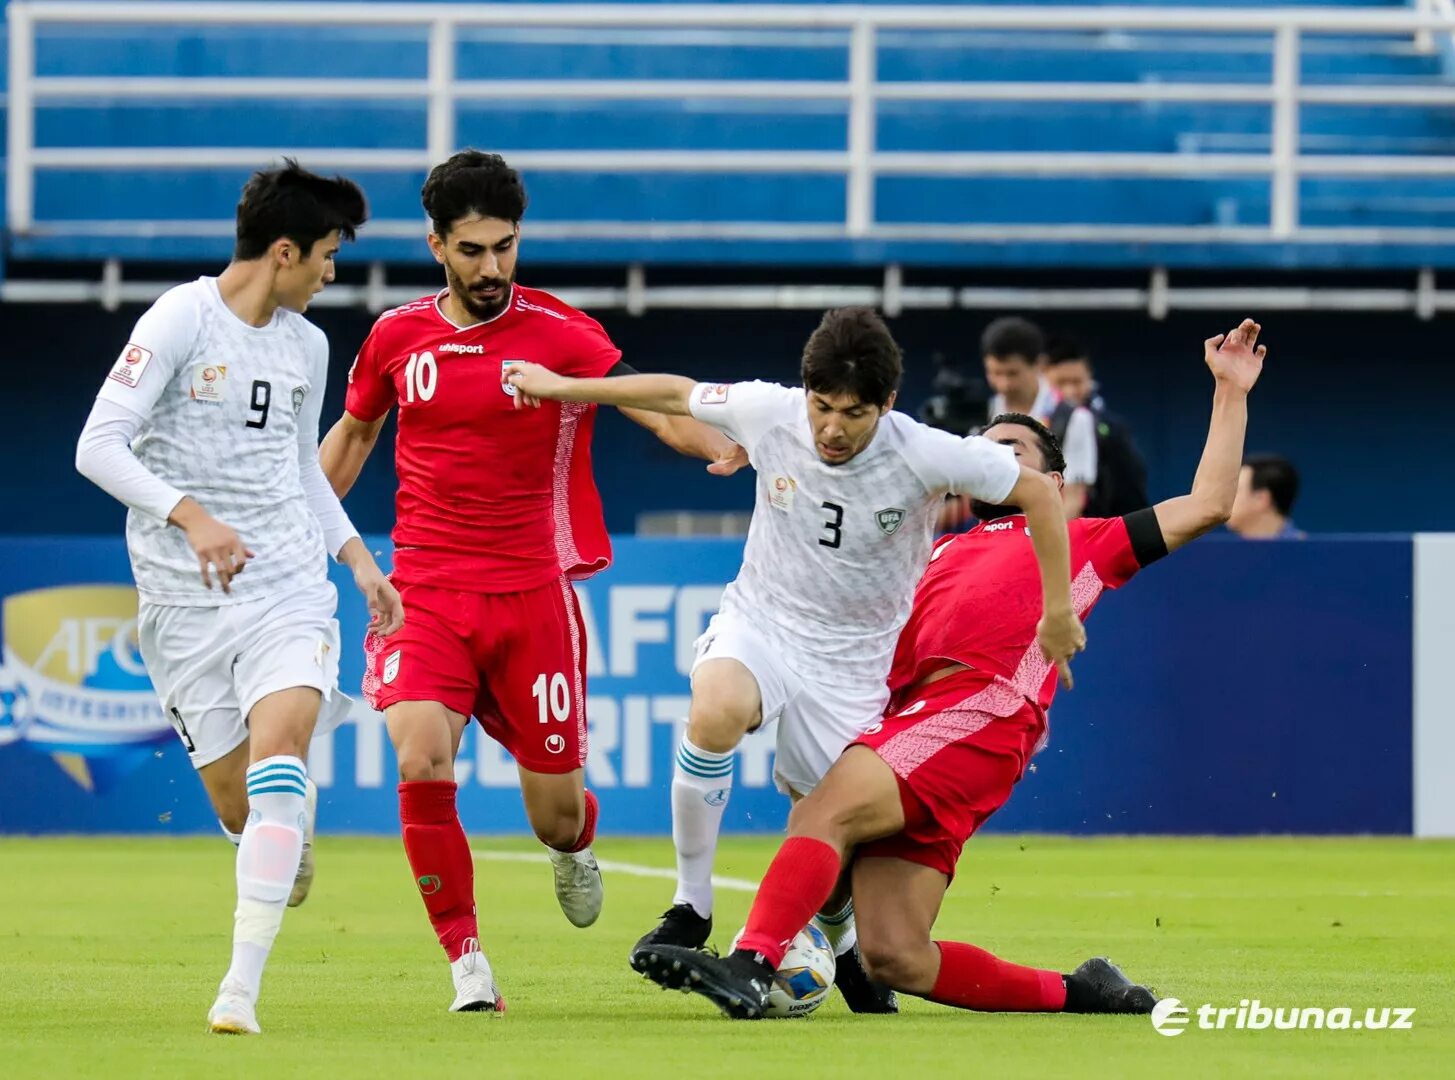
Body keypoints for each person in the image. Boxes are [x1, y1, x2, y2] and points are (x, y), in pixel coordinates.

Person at [634, 319, 1267, 1020]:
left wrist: (1228, 392)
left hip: (978, 709)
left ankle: (749, 964)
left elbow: (1209, 505)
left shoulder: (1087, 539)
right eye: (985, 447)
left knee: (824, 811)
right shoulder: (929, 549)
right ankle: (1082, 992)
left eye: (1014, 450)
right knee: (897, 953)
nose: (993, 457)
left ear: (1049, 480)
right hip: (922, 727)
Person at [504, 305, 1084, 1012]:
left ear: (886, 405)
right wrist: (559, 386)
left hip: (853, 669)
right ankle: (690, 906)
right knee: (714, 710)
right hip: (763, 622)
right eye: (820, 407)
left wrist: (1057, 612)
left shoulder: (925, 450)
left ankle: (842, 952)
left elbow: (1037, 493)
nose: (832, 429)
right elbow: (669, 391)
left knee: (827, 846)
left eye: (852, 413)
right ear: (802, 392)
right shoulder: (768, 411)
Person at [318, 150, 740, 1014]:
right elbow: (353, 439)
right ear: (436, 244)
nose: (491, 268)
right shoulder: (398, 336)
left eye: (504, 247)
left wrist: (726, 447)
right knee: (421, 756)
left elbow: (650, 405)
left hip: (532, 599)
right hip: (423, 593)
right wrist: (290, 529)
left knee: (555, 813)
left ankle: (571, 845)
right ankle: (466, 960)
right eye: (471, 250)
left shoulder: (559, 331)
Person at [74, 161, 403, 1035]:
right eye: (327, 255)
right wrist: (193, 518)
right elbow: (96, 446)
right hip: (181, 604)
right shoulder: (181, 317)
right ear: (284, 250)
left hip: (289, 587)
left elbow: (302, 469)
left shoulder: (306, 344)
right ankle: (277, 832)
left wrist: (357, 561)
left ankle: (238, 991)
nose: (332, 274)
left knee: (283, 747)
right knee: (240, 803)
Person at [982, 317, 1099, 518]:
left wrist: (1034, 543)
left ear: (1039, 364)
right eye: (995, 373)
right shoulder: (984, 412)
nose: (1004, 384)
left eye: (1012, 374)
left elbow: (1073, 499)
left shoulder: (1072, 418)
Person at [1044, 338, 1149, 517]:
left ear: (1089, 379)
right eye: (1060, 383)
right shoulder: (1031, 425)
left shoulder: (1113, 429)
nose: (1069, 391)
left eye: (1077, 382)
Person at [1228, 454, 1305, 539]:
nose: (1226, 499)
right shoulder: (1227, 551)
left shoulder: (1307, 551)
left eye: (1235, 491)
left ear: (1261, 499)